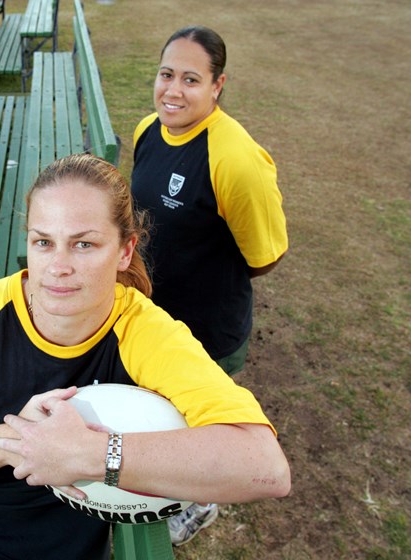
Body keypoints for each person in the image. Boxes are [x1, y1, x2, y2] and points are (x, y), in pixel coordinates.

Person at [0, 154, 290, 560]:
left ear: (125, 250)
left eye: (84, 244)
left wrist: (95, 454)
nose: (58, 266)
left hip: (34, 528)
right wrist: (22, 438)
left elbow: (266, 468)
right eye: (43, 242)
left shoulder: (146, 333)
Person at [130, 26, 289, 545]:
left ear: (218, 85)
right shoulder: (147, 132)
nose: (173, 90)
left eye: (191, 79)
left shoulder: (236, 159)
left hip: (208, 326)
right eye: (166, 74)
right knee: (159, 409)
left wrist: (205, 270)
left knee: (202, 420)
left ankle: (201, 502)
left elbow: (265, 257)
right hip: (155, 314)